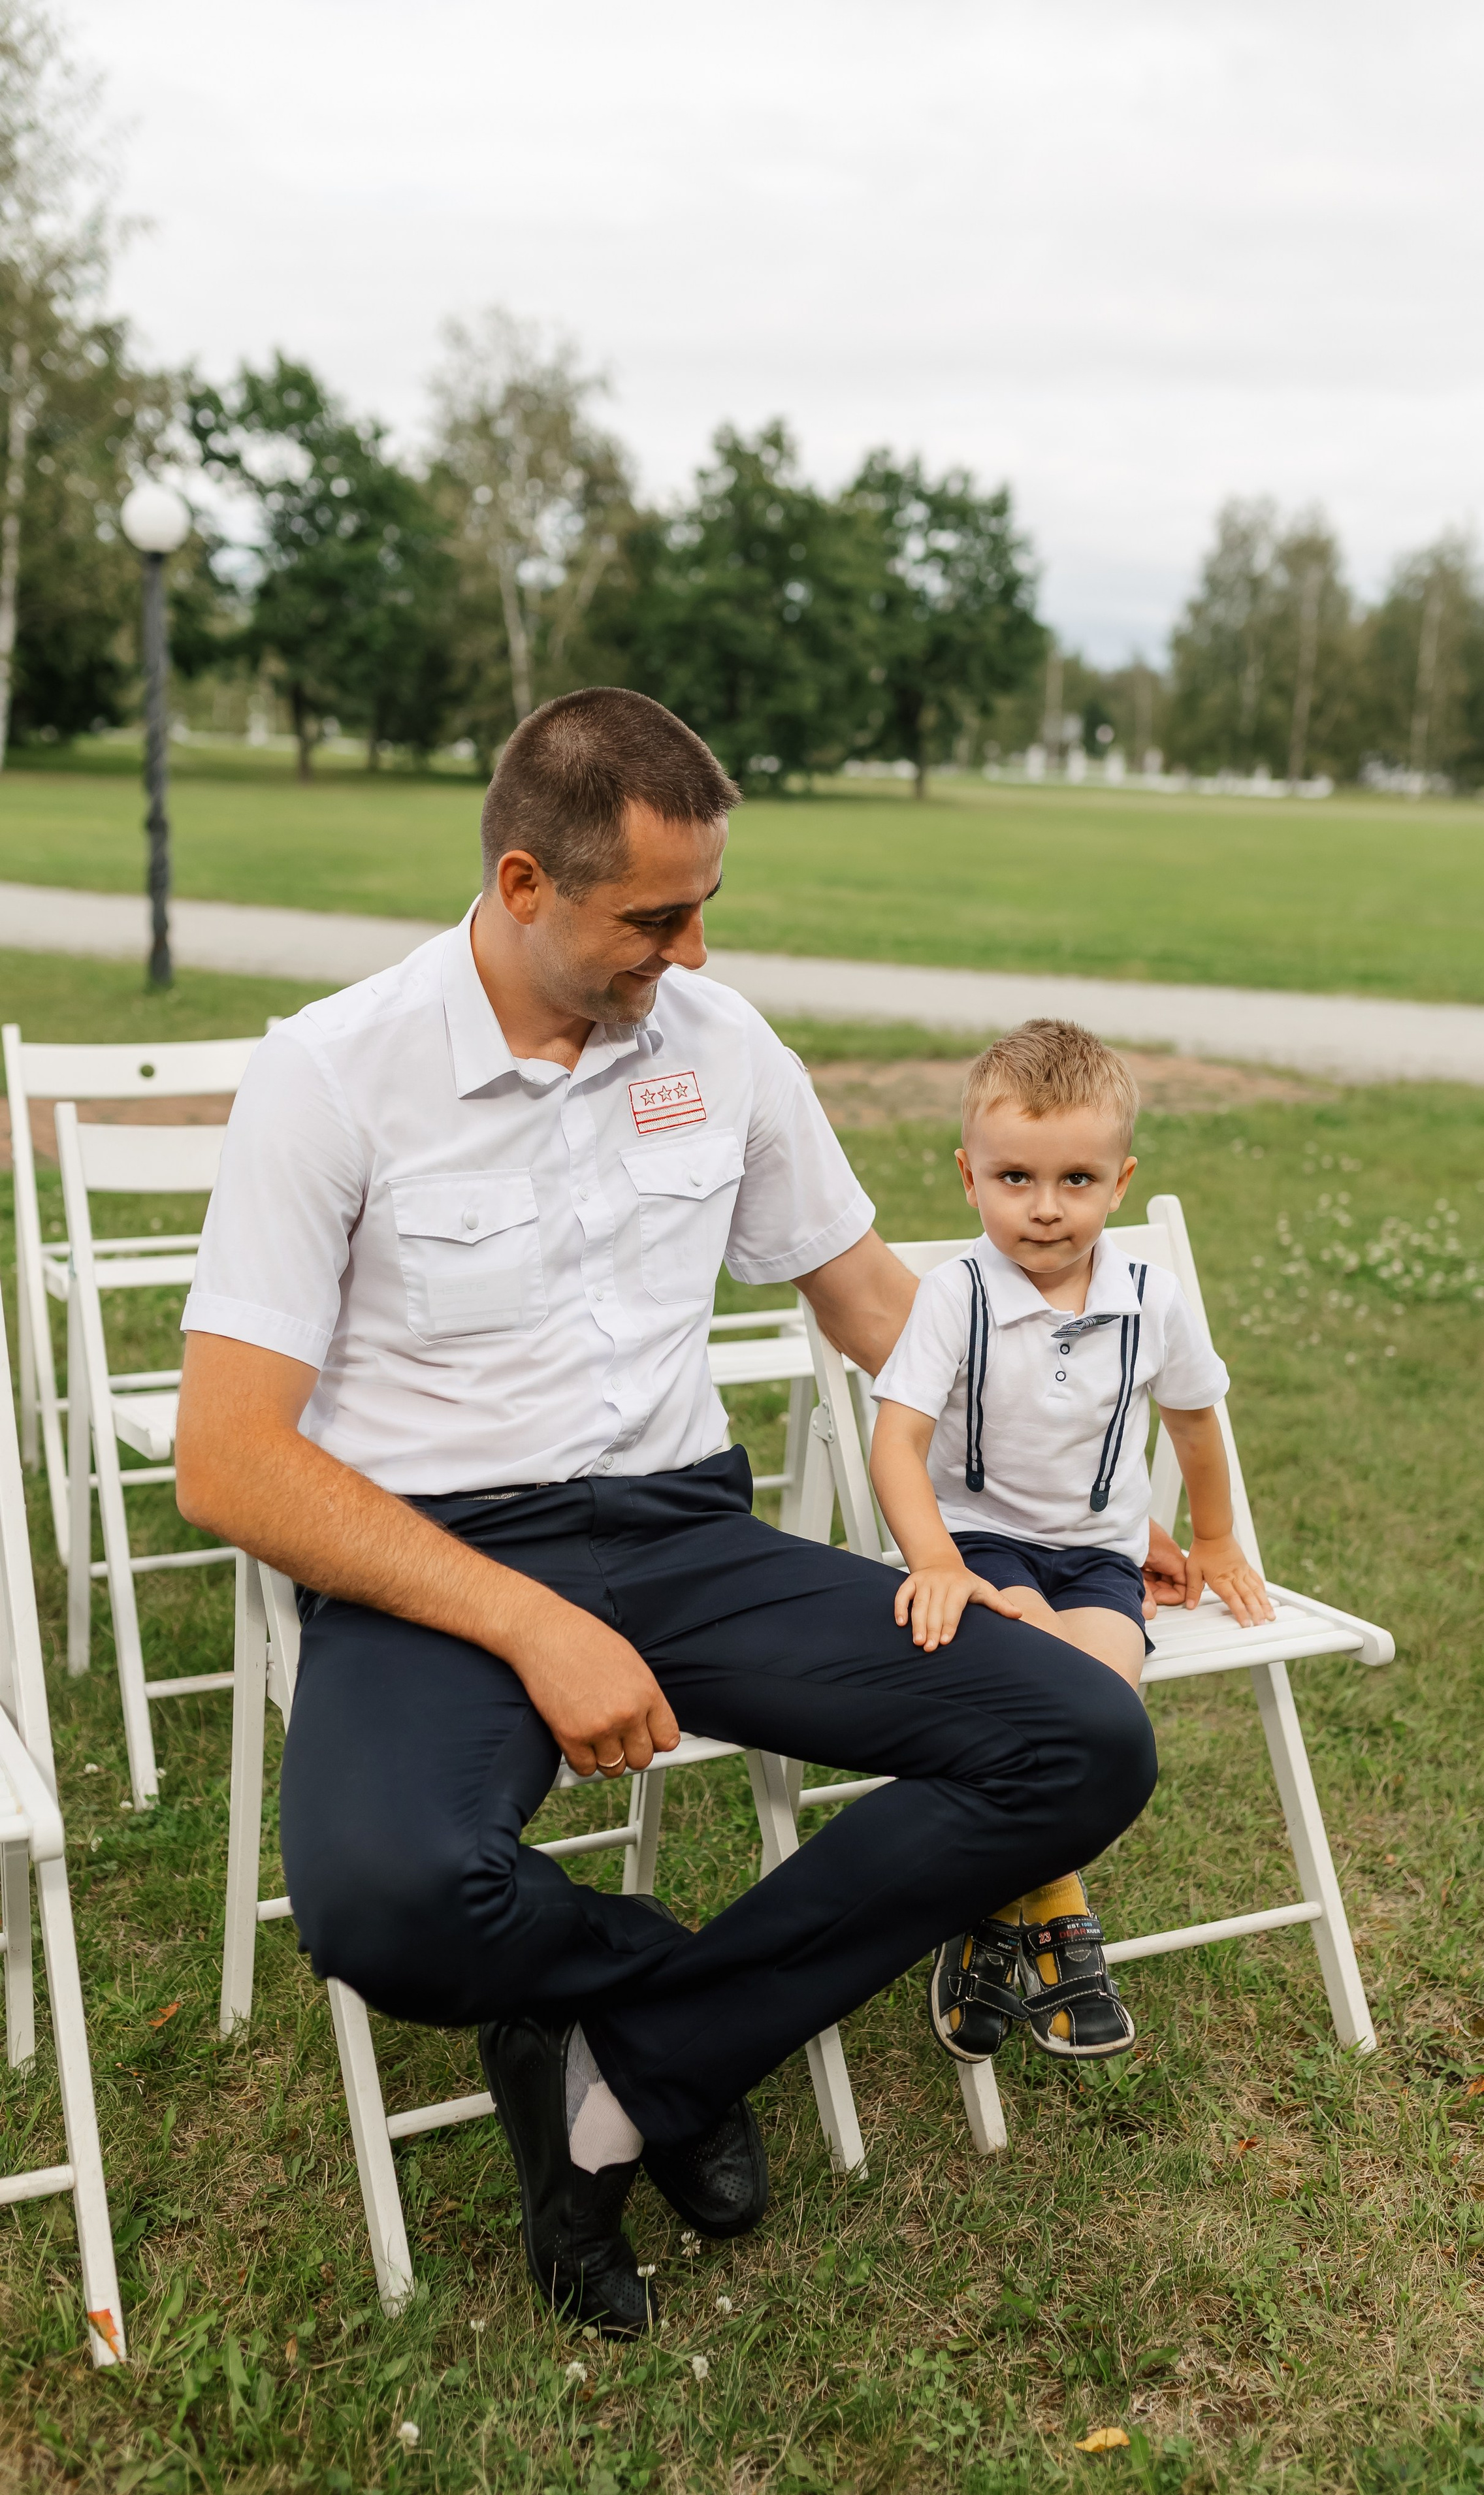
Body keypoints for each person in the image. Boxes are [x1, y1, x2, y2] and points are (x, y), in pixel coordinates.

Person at [173, 690, 1159, 2338]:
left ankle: (642, 2067)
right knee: (386, 1903)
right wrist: (528, 1622)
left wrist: (1060, 1501)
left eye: (704, 907)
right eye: (653, 918)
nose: (692, 951)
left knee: (1080, 1739)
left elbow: (874, 1303)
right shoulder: (332, 1073)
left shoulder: (720, 1043)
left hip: (687, 1537)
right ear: (522, 886)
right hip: (437, 1562)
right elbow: (228, 1460)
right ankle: (652, 2006)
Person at [868, 1018, 1273, 2069]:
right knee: (1040, 1679)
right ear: (969, 1177)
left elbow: (1195, 1423)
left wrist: (1215, 1536)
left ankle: (988, 1911)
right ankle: (1059, 1910)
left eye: (1077, 1180)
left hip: (1099, 1555)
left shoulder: (1149, 1299)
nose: (1045, 1207)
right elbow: (896, 1443)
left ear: (1120, 1183)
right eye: (1015, 1177)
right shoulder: (955, 1295)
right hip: (980, 1540)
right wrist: (937, 1562)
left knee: (1100, 1706)